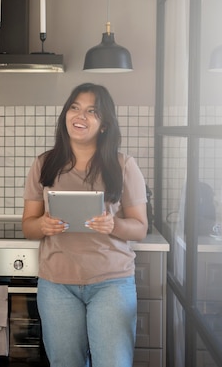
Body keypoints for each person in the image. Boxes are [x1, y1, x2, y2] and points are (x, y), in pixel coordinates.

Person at [22, 83, 149, 367]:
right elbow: (28, 226)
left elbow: (140, 228)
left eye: (92, 111)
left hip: (111, 283)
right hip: (56, 285)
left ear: (104, 125)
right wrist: (43, 225)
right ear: (66, 114)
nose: (80, 116)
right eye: (75, 108)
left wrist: (112, 225)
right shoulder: (44, 164)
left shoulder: (124, 166)